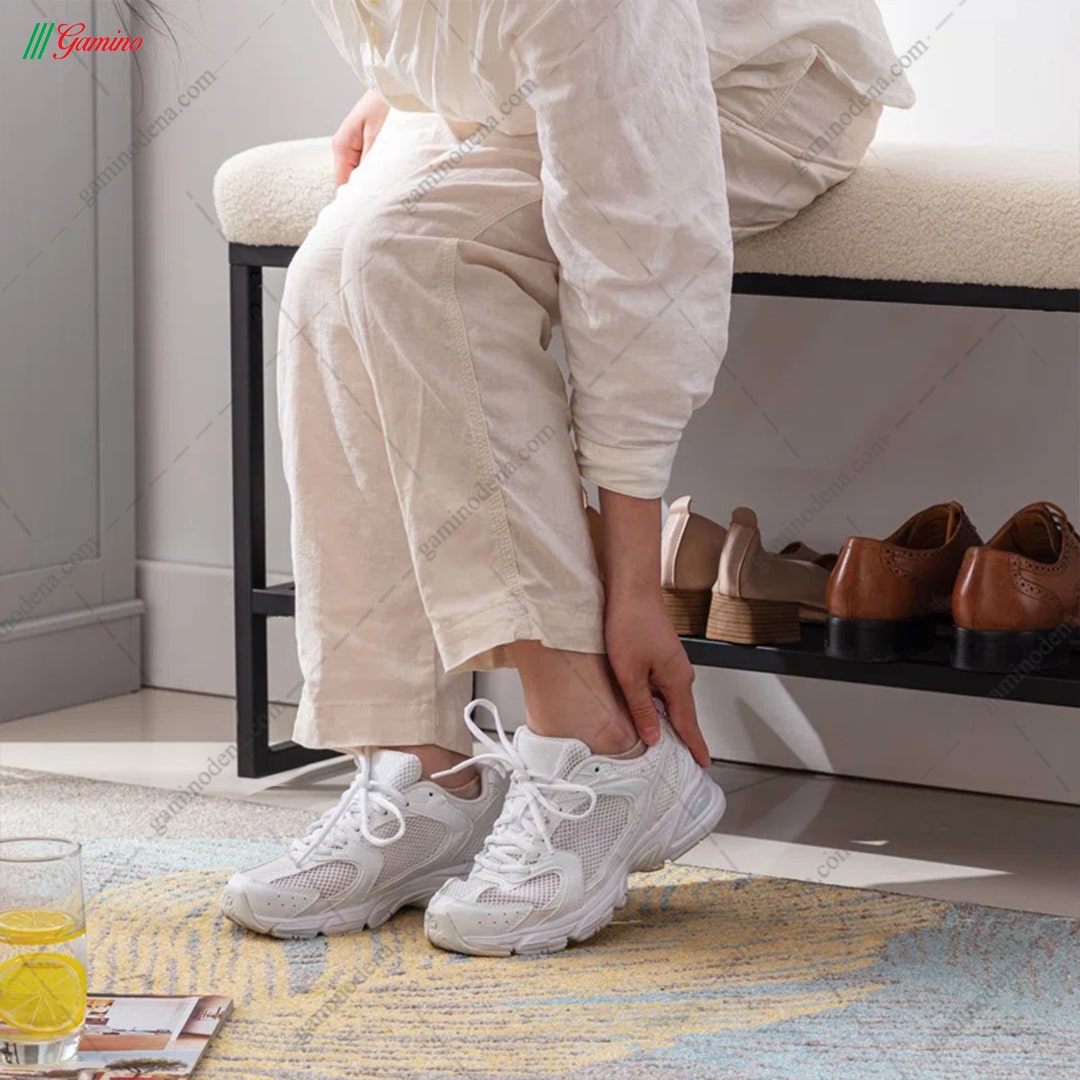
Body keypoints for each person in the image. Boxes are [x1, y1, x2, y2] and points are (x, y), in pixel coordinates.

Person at [220, 0, 913, 957]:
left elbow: (639, 259)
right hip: (538, 77)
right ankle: (420, 771)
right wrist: (412, 81)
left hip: (755, 86)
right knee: (326, 275)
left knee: (417, 258)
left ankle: (605, 747)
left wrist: (634, 592)